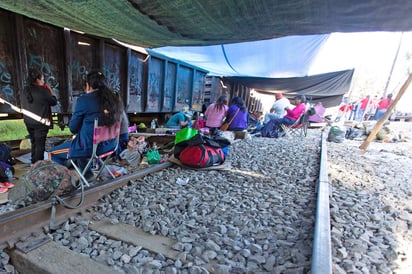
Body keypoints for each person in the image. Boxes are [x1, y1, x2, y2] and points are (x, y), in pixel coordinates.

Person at [48, 70, 123, 171]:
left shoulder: (84, 100)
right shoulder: (115, 100)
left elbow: (73, 128)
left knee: (52, 153)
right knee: (82, 142)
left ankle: (64, 181)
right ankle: (87, 175)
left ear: (88, 85)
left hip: (89, 149)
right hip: (110, 146)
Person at [21, 68, 58, 164]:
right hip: (41, 123)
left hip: (29, 122)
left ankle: (33, 163)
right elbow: (54, 101)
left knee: (34, 142)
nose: (44, 81)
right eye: (42, 79)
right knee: (40, 145)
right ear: (37, 80)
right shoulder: (42, 91)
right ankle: (38, 166)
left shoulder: (25, 90)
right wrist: (50, 90)